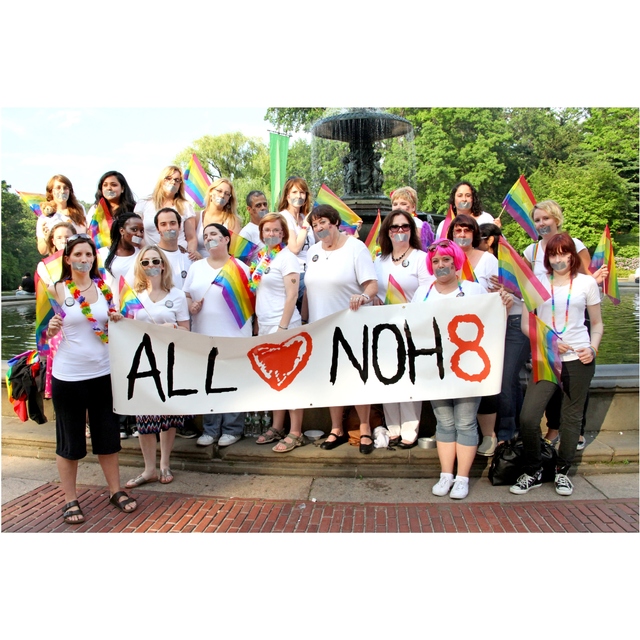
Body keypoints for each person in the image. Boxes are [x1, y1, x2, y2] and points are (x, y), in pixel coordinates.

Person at [45, 234, 136, 524]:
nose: (84, 260)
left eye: (89, 255)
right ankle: (70, 499)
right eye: (78, 254)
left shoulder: (105, 287)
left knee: (107, 436)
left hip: (102, 374)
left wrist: (118, 320)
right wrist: (50, 328)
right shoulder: (55, 289)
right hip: (69, 376)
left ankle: (115, 490)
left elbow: (111, 325)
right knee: (70, 441)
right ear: (68, 258)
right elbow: (43, 337)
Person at [412, 239, 512, 499]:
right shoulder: (422, 293)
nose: (441, 265)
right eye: (435, 261)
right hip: (435, 370)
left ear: (457, 263)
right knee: (444, 422)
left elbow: (495, 319)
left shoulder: (475, 290)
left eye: (446, 260)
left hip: (469, 369)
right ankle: (446, 474)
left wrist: (505, 302)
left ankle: (463, 478)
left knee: (466, 422)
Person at [511, 232, 603, 497]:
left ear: (573, 255)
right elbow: (528, 324)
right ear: (547, 257)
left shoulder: (586, 283)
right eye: (553, 254)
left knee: (571, 418)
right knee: (528, 418)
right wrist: (548, 341)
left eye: (564, 253)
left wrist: (593, 348)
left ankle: (562, 471)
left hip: (578, 357)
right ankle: (534, 469)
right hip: (547, 358)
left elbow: (596, 323)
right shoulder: (537, 283)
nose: (559, 258)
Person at [302, 204, 378, 454]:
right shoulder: (312, 251)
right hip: (321, 327)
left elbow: (371, 286)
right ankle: (336, 428)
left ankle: (364, 427)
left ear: (335, 222)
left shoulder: (355, 248)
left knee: (357, 376)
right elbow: (308, 291)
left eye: (323, 222)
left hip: (351, 324)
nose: (319, 228)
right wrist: (304, 321)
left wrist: (363, 298)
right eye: (314, 225)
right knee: (331, 378)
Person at [124, 246, 190, 488]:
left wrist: (171, 329)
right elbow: (127, 328)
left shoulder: (177, 295)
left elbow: (186, 329)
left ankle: (164, 463)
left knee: (167, 415)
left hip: (170, 360)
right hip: (142, 361)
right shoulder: (133, 296)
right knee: (145, 416)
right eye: (145, 262)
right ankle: (149, 468)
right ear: (139, 267)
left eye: (155, 260)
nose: (151, 265)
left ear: (163, 264)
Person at [184, 223, 252, 448]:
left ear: (226, 239)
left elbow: (250, 302)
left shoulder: (240, 267)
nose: (209, 238)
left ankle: (233, 429)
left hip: (234, 335)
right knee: (208, 383)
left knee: (233, 384)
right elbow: (186, 294)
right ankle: (210, 429)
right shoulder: (196, 267)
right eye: (205, 235)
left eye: (214, 234)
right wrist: (191, 305)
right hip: (204, 335)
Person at [372, 209, 432, 447]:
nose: (399, 231)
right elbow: (373, 291)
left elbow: (427, 291)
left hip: (410, 326)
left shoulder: (420, 258)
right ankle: (393, 428)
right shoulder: (379, 260)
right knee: (387, 377)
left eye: (404, 227)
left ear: (411, 230)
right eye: (394, 227)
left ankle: (409, 430)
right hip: (383, 328)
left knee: (407, 378)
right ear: (387, 232)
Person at [248, 213, 305, 452]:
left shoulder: (287, 258)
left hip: (284, 326)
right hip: (266, 326)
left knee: (290, 379)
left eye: (275, 230)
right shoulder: (262, 258)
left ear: (283, 234)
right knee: (274, 379)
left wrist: (282, 328)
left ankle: (296, 431)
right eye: (267, 230)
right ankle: (278, 425)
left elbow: (292, 296)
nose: (271, 234)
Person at [480, 223, 531, 448]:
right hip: (494, 323)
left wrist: (511, 290)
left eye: (479, 238)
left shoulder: (508, 260)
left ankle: (506, 434)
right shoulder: (479, 261)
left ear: (490, 240)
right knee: (510, 379)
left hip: (515, 321)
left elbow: (533, 291)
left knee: (505, 376)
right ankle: (515, 427)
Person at [135, 165, 198, 258]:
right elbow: (136, 233)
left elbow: (191, 238)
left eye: (177, 180)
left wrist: (190, 256)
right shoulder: (144, 203)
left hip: (178, 256)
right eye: (168, 178)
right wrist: (147, 252)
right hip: (151, 259)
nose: (173, 182)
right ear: (161, 181)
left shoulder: (186, 206)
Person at [277, 176, 316, 306]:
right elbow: (295, 248)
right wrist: (305, 226)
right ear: (287, 196)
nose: (298, 196)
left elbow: (321, 240)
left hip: (312, 270)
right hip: (295, 273)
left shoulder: (305, 217)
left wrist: (349, 230)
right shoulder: (284, 217)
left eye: (302, 192)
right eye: (294, 192)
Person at [99, 212, 144, 307]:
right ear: (122, 231)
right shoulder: (101, 254)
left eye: (142, 231)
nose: (139, 234)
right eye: (134, 229)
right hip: (111, 309)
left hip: (135, 310)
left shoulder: (142, 254)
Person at [446, 214, 498, 292]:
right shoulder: (443, 260)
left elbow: (498, 292)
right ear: (452, 234)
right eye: (458, 230)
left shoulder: (488, 259)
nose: (462, 235)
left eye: (467, 230)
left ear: (474, 234)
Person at [37, 175, 87, 255]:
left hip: (79, 257)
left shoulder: (80, 209)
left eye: (65, 188)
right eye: (58, 188)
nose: (62, 191)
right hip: (58, 261)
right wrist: (47, 237)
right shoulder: (45, 217)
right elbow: (42, 251)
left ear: (70, 190)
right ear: (51, 191)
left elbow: (87, 234)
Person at [196, 178, 242, 256]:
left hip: (222, 266)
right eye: (219, 191)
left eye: (227, 194)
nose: (222, 195)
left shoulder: (232, 220)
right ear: (211, 191)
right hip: (197, 264)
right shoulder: (196, 217)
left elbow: (233, 251)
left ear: (229, 199)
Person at [152, 207, 194, 291]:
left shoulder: (190, 258)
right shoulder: (148, 255)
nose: (169, 228)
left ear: (179, 226)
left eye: (173, 223)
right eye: (163, 224)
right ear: (157, 229)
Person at [390, 186, 435, 250]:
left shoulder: (417, 224)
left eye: (403, 204)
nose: (398, 207)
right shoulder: (389, 223)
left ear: (413, 207)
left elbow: (409, 242)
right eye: (395, 204)